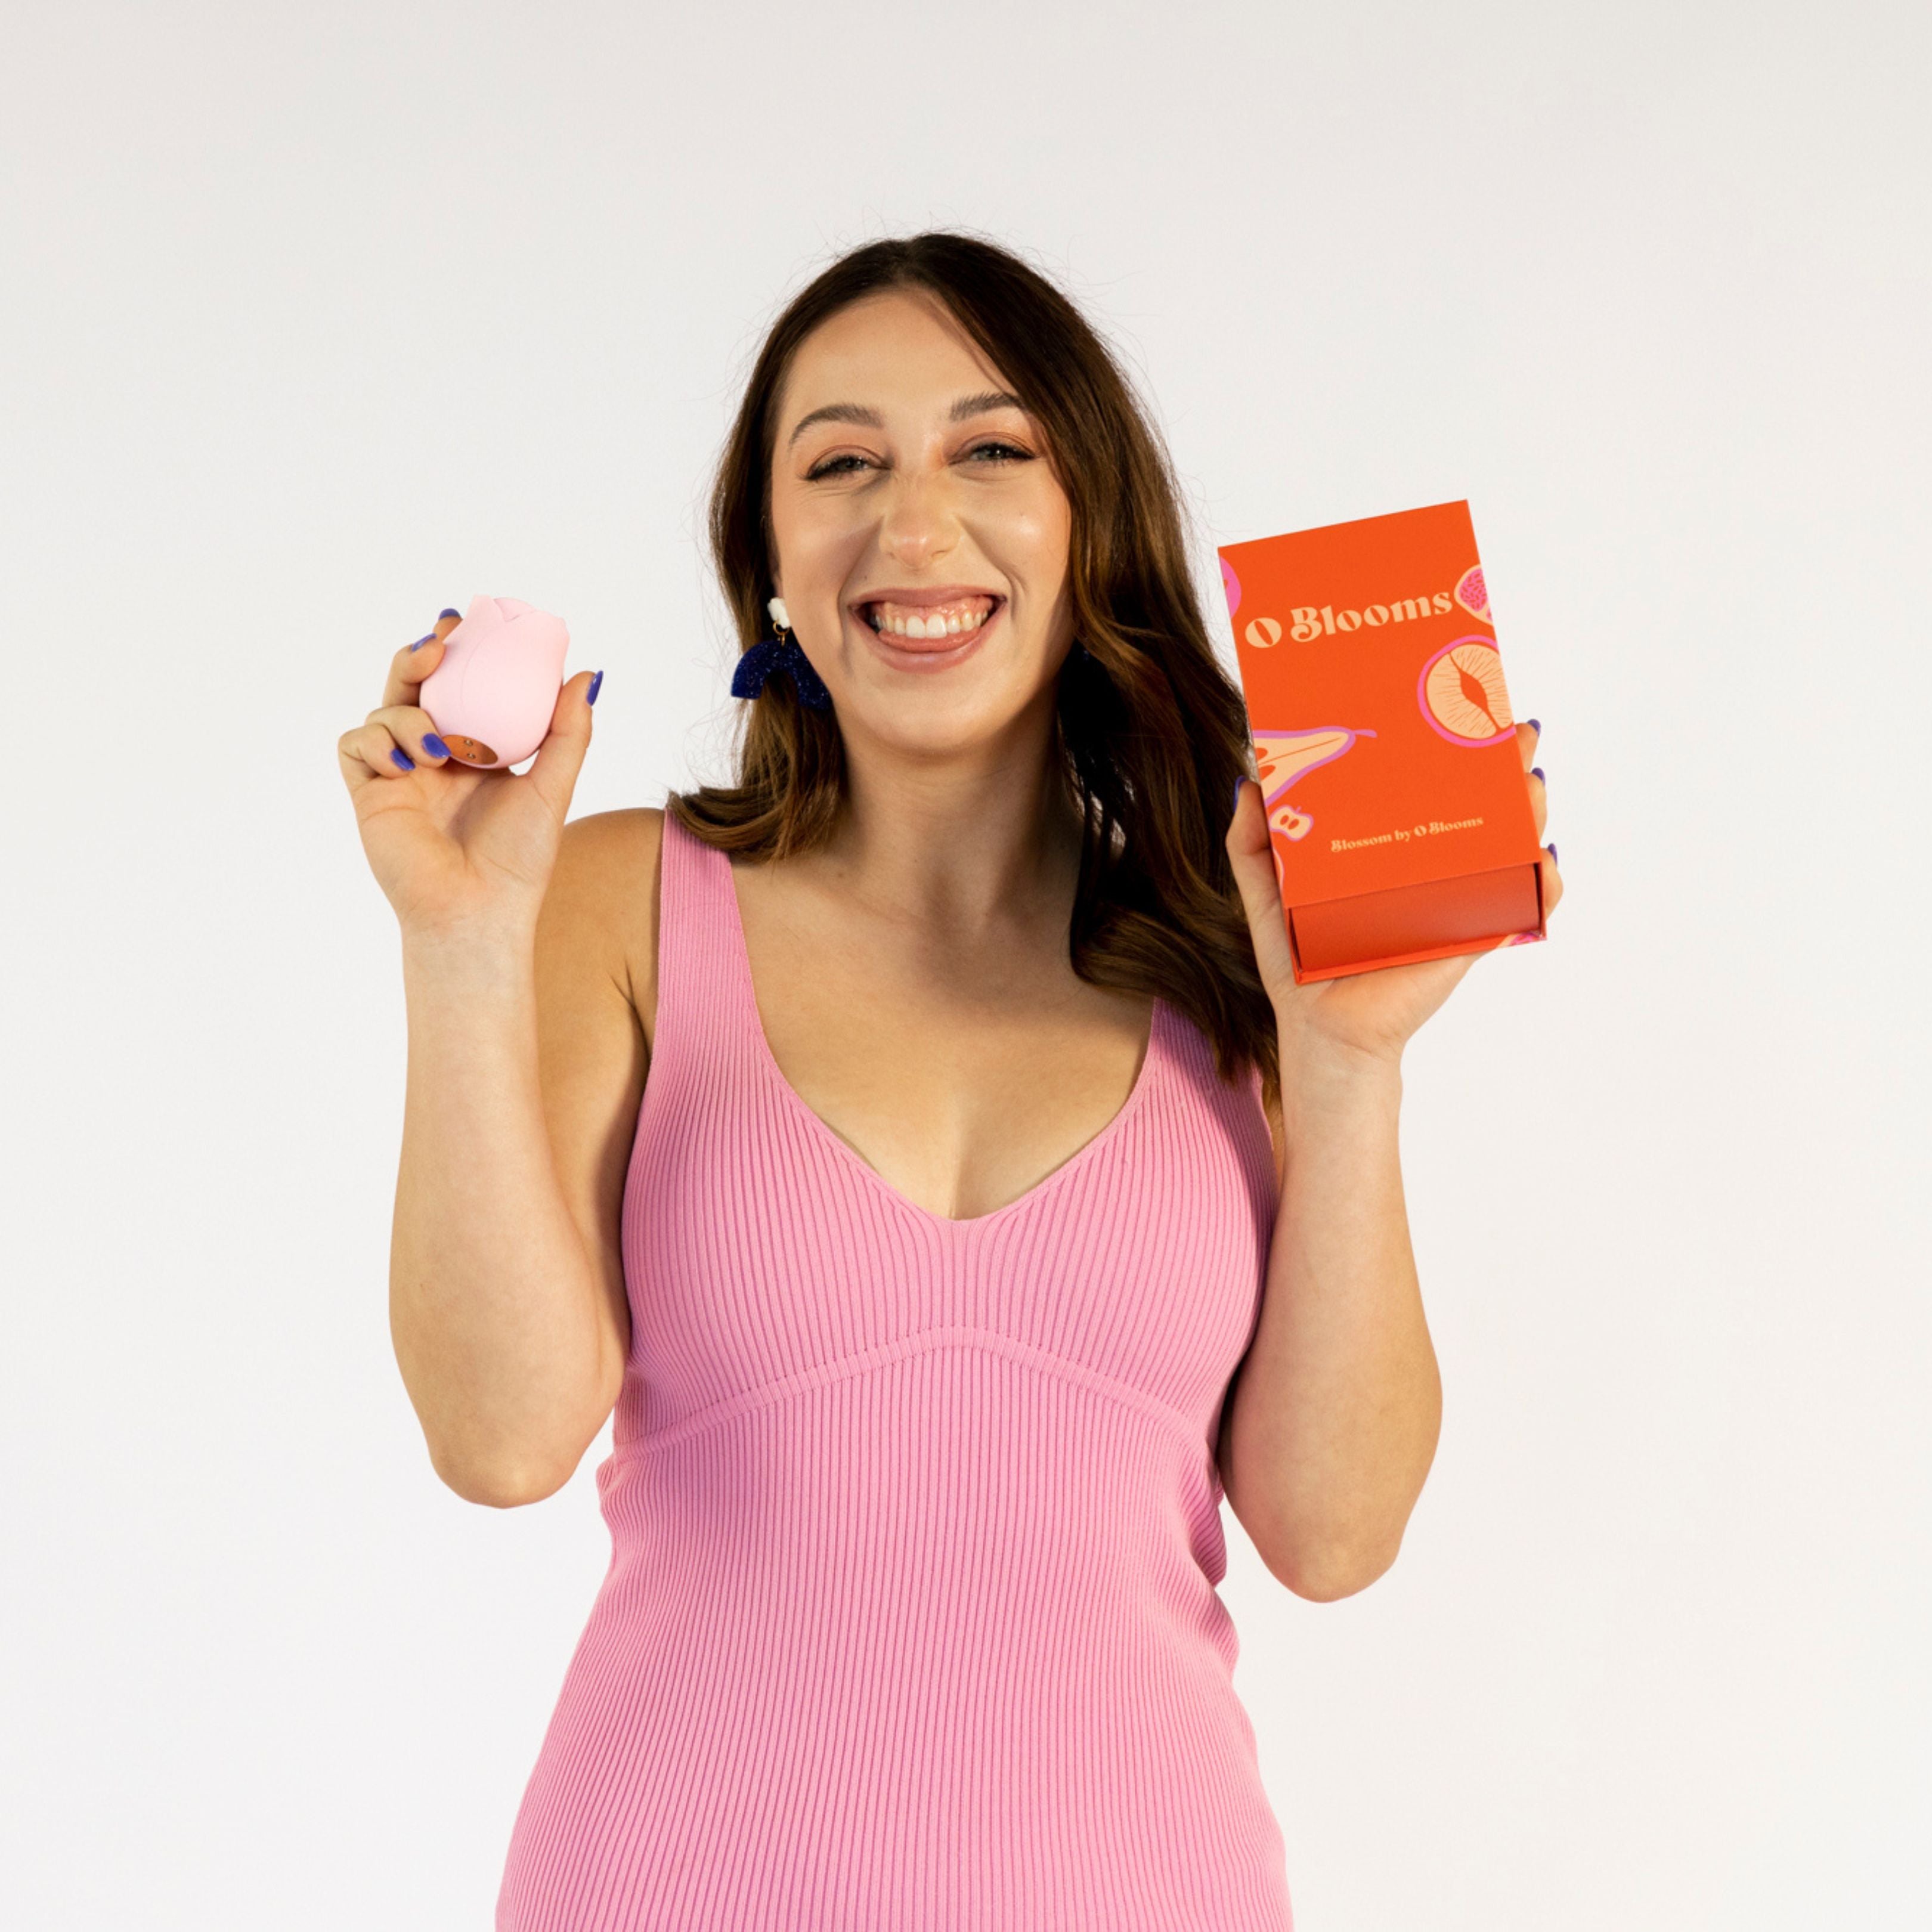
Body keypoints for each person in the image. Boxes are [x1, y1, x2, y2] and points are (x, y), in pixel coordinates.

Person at [336, 231, 1562, 1930]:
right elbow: (499, 1438)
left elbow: (1335, 1537)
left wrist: (1345, 1061)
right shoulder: (620, 903)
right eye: (843, 463)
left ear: (1089, 526)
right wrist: (464, 945)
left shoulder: (1245, 952)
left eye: (991, 450)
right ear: (769, 560)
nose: (914, 528)